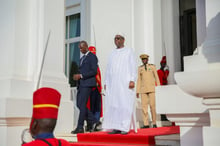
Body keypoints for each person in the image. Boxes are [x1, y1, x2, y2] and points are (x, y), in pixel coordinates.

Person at [102, 33, 137, 135]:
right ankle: (116, 127)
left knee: (124, 104)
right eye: (115, 38)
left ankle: (125, 127)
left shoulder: (129, 51)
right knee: (114, 105)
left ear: (123, 40)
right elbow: (108, 69)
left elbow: (133, 66)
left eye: (118, 38)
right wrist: (106, 82)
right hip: (113, 85)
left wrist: (132, 80)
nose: (116, 40)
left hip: (124, 84)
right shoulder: (112, 53)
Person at [71, 41, 99, 134]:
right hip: (81, 84)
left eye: (81, 48)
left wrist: (81, 76)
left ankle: (80, 127)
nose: (80, 50)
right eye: (79, 48)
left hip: (88, 84)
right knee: (79, 105)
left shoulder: (92, 57)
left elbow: (94, 71)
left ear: (86, 47)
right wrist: (77, 76)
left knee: (82, 105)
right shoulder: (82, 58)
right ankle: (94, 121)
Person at [136, 54, 160, 128]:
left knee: (153, 106)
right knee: (144, 108)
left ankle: (154, 123)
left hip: (152, 89)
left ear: (147, 59)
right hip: (143, 90)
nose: (144, 60)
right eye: (143, 59)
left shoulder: (152, 67)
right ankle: (146, 124)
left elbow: (156, 77)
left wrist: (159, 87)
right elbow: (139, 80)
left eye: (145, 59)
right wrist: (137, 91)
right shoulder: (140, 68)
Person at [85, 46, 103, 131]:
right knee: (90, 107)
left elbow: (99, 77)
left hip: (97, 89)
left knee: (97, 107)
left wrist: (100, 87)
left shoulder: (96, 65)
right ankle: (91, 124)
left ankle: (96, 123)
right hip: (90, 89)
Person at [157, 56, 169, 121]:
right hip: (161, 89)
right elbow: (160, 81)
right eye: (163, 63)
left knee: (165, 103)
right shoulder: (159, 71)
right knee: (162, 103)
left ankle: (166, 116)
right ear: (161, 64)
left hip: (165, 89)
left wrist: (167, 72)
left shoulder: (165, 72)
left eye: (165, 64)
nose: (164, 65)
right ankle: (163, 117)